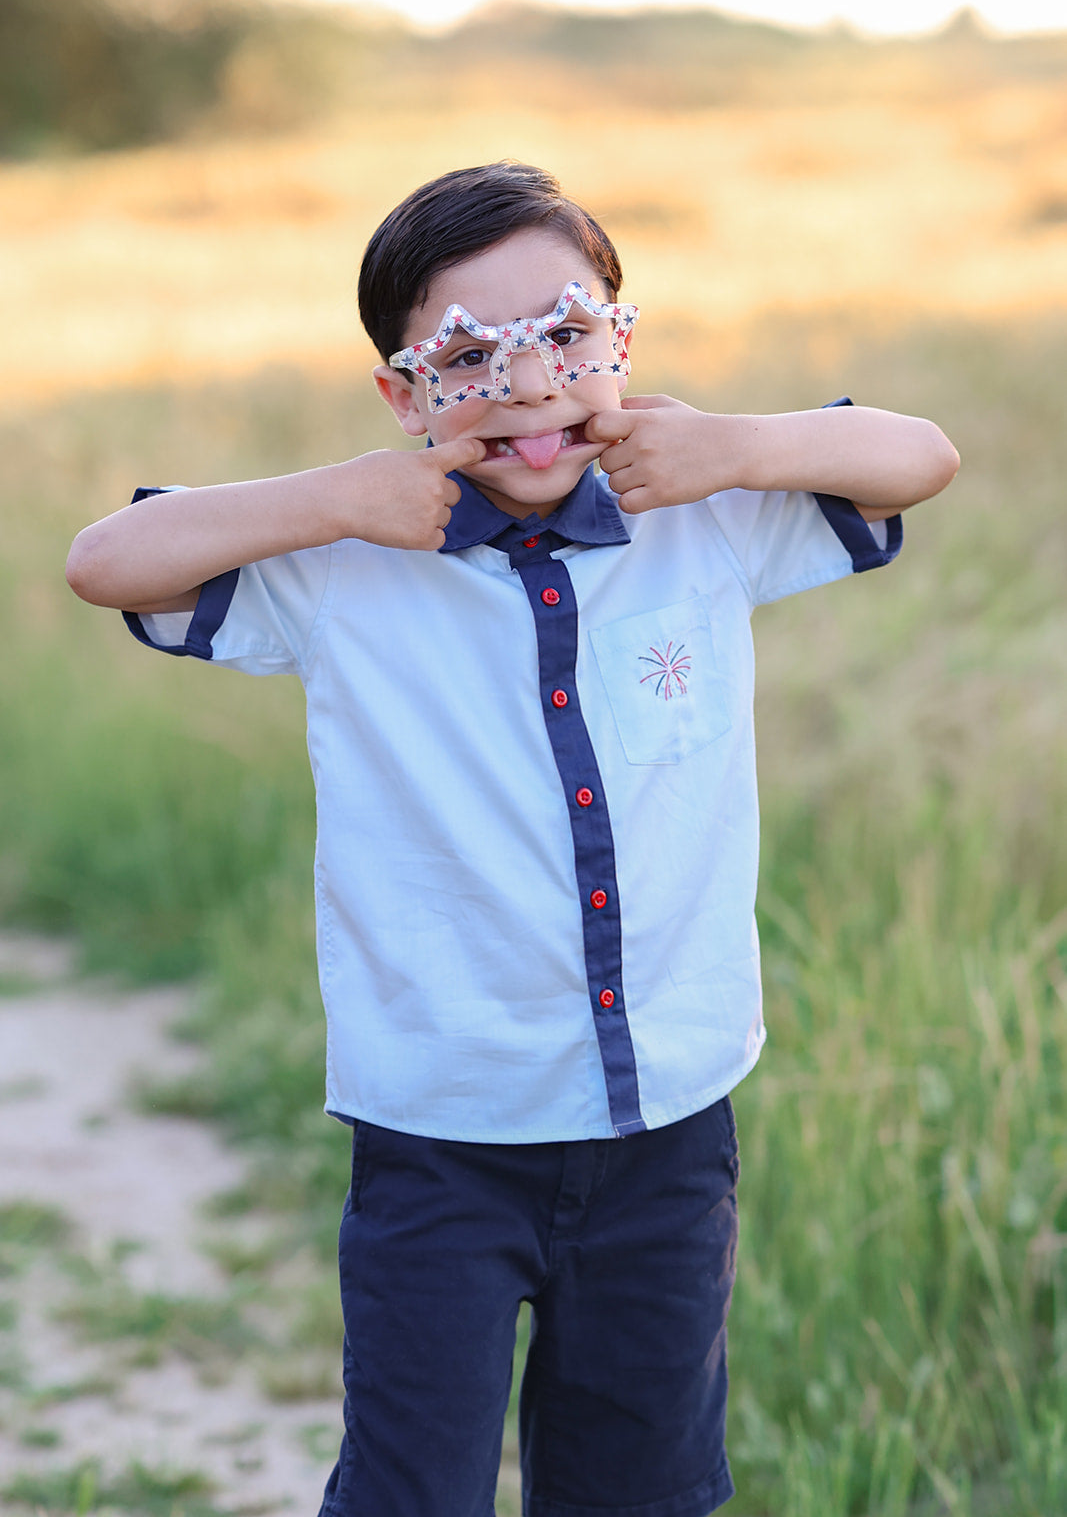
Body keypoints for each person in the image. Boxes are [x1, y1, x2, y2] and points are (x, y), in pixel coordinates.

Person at [66, 160, 959, 1517]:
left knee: (640, 1486)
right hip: (443, 1132)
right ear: (406, 392)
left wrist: (735, 443)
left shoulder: (704, 519)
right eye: (468, 354)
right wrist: (345, 496)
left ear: (619, 339)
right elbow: (106, 563)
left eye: (565, 331)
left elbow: (922, 460)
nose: (530, 383)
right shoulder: (349, 559)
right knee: (413, 1486)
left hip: (665, 1119)